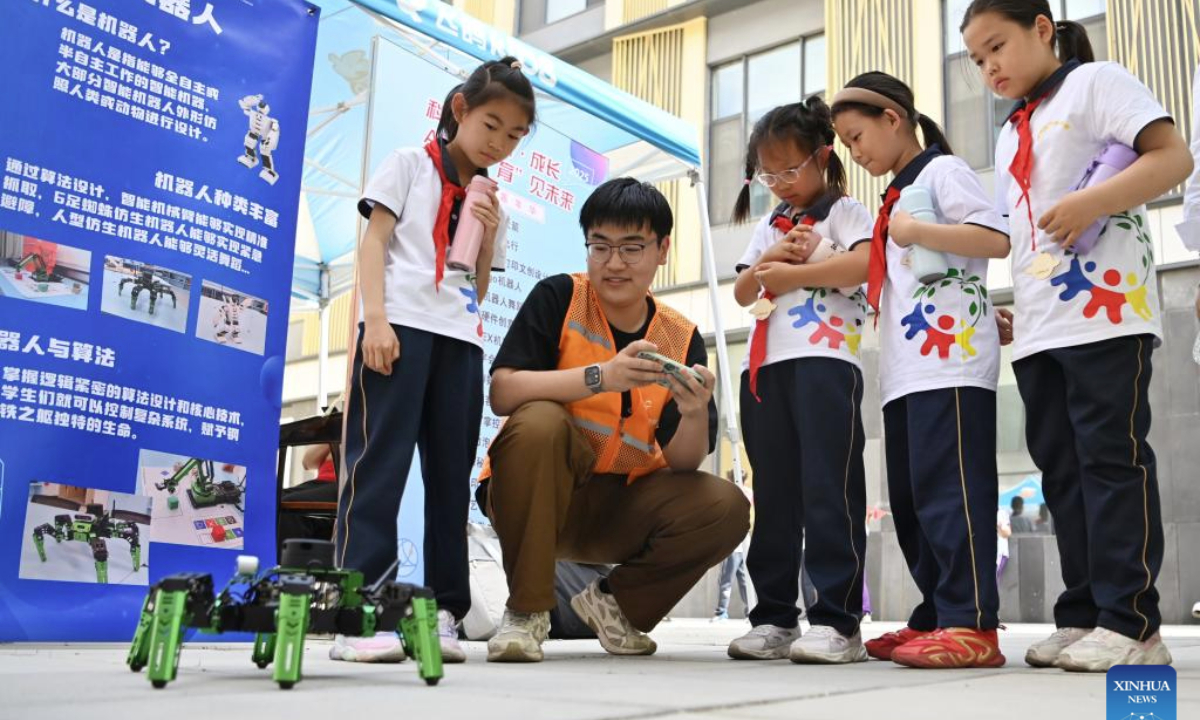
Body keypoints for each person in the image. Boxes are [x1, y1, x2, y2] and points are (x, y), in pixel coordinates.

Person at [962, 0, 1192, 671]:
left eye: (997, 47)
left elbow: (1171, 156)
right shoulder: (1011, 131)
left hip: (1106, 312)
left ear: (1042, 29)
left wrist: (1093, 201)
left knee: (1109, 460)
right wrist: (1012, 310)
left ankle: (1134, 625)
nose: (988, 67)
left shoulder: (1097, 82)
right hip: (1040, 323)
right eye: (977, 59)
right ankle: (1085, 612)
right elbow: (1026, 229)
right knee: (1061, 471)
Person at [478, 178, 750, 663]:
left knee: (726, 505)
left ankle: (616, 607)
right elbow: (503, 391)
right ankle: (526, 613)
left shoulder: (680, 336)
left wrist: (691, 411)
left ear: (662, 249)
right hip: (536, 495)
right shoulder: (559, 297)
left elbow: (685, 461)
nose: (614, 262)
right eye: (600, 246)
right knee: (539, 420)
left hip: (623, 505)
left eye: (631, 247)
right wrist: (601, 377)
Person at [333, 57, 536, 664]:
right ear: (460, 111)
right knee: (378, 468)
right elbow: (373, 244)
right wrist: (376, 321)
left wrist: (489, 232)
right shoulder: (407, 164)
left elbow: (476, 288)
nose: (499, 144)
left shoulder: (488, 195)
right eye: (492, 126)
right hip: (397, 329)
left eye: (514, 136)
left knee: (449, 479)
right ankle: (356, 614)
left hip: (459, 341)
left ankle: (443, 612)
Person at [831, 71, 1010, 669]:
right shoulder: (895, 194)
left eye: (859, 137)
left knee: (950, 495)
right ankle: (937, 614)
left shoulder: (941, 173)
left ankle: (972, 624)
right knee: (911, 501)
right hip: (908, 368)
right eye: (847, 145)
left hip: (951, 365)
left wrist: (913, 230)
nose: (856, 153)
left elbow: (994, 236)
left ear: (893, 118)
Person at [724, 99, 872, 664]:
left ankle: (838, 620)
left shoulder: (846, 212)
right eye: (768, 174)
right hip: (763, 368)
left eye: (790, 169)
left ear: (823, 155)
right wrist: (769, 265)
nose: (780, 184)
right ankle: (774, 616)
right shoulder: (768, 224)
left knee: (828, 489)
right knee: (777, 495)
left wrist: (795, 271)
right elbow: (743, 293)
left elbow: (861, 267)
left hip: (826, 361)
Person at [714, 471, 755, 621]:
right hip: (744, 541)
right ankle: (750, 611)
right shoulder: (750, 492)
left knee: (726, 579)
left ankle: (721, 612)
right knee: (744, 580)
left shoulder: (731, 492)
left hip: (733, 542)